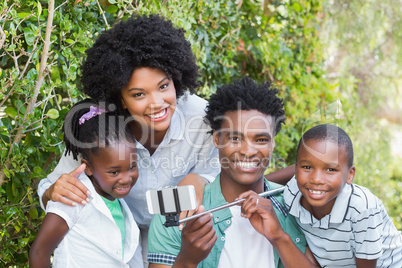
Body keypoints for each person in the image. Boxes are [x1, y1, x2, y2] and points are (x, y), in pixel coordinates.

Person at [36, 14, 294, 265]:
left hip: (177, 233)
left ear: (177, 79)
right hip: (115, 238)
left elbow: (230, 176)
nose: (157, 104)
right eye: (139, 94)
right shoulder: (101, 131)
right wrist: (53, 191)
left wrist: (200, 180)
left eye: (163, 86)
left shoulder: (201, 119)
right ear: (119, 98)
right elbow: (52, 189)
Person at [147, 76, 319, 268]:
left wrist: (279, 237)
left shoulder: (298, 207)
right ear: (216, 140)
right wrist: (187, 260)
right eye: (235, 138)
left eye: (261, 139)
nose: (247, 151)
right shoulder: (173, 209)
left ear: (273, 143)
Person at [29, 99, 140, 267]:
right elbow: (39, 252)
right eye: (114, 172)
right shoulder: (73, 198)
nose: (126, 178)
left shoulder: (117, 201)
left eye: (132, 167)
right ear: (87, 167)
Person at [283, 124, 402, 267]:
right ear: (296, 170)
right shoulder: (292, 193)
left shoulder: (362, 209)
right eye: (307, 167)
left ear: (350, 175)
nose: (316, 179)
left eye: (330, 169)